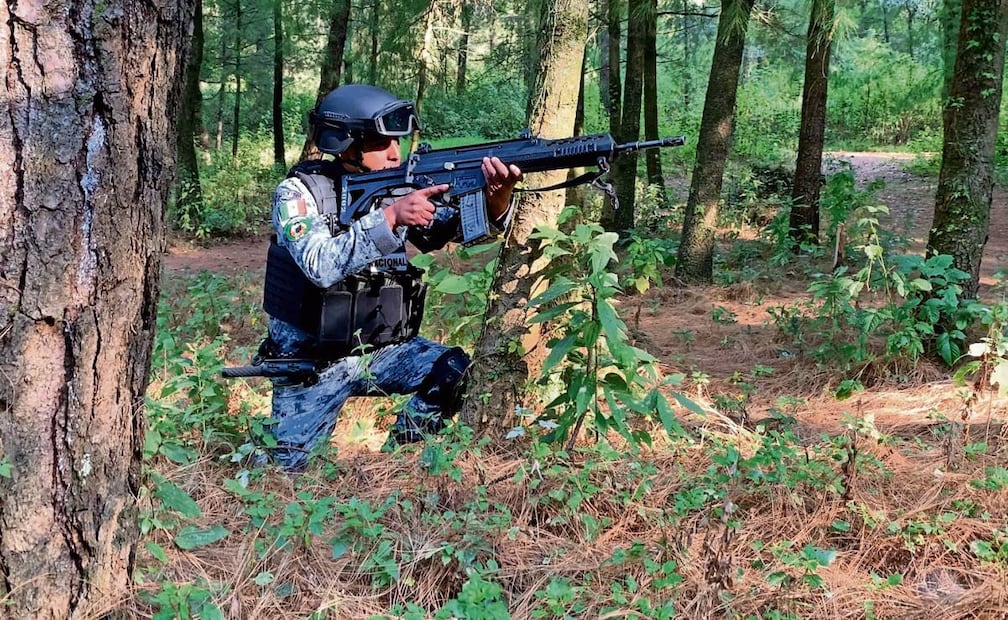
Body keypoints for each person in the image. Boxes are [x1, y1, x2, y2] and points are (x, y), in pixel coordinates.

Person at [259, 83, 522, 470]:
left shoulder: (394, 186)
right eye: (382, 143)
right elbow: (319, 264)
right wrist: (391, 218)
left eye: (398, 141)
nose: (396, 153)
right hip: (312, 367)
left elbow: (450, 230)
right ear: (346, 144)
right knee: (285, 475)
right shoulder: (298, 193)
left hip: (379, 354)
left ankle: (398, 461)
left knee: (453, 370)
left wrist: (495, 198)